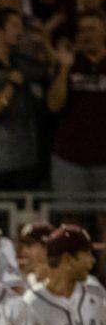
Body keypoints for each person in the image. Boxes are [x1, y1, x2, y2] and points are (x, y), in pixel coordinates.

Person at [0, 9, 44, 190]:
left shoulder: (23, 62)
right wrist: (12, 84)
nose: (20, 32)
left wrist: (45, 40)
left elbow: (51, 71)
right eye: (15, 25)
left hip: (26, 160)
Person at [48, 12, 106, 198]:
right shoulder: (68, 63)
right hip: (70, 157)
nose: (86, 35)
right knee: (71, 222)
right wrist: (64, 68)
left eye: (92, 29)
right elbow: (54, 105)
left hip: (104, 158)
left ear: (104, 32)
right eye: (82, 30)